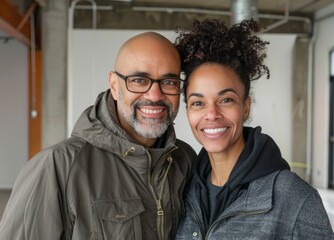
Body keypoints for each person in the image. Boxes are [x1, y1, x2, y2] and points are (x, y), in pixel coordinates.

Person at [0, 32, 196, 240]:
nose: (155, 95)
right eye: (139, 80)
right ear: (114, 84)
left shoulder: (185, 160)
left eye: (169, 82)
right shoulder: (56, 167)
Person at [174, 19, 334, 239]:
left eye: (226, 100)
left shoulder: (293, 197)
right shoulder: (183, 188)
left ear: (245, 107)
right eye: (198, 102)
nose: (211, 114)